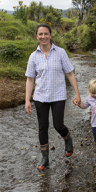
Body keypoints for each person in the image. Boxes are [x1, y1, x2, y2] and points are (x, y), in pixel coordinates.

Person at [25, 24, 81, 171]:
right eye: (40, 34)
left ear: (50, 35)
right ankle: (45, 158)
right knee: (43, 127)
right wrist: (27, 100)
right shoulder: (33, 56)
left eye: (46, 34)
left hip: (58, 95)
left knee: (58, 125)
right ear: (36, 36)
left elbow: (70, 73)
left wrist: (77, 93)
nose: (43, 37)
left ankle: (67, 138)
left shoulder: (61, 53)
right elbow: (30, 79)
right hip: (40, 96)